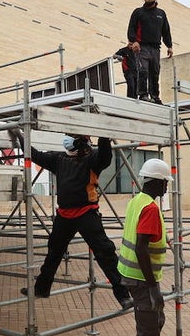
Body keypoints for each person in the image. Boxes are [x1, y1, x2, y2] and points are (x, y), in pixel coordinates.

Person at [13, 130, 132, 308]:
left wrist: (104, 133)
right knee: (54, 252)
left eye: (72, 136)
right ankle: (41, 289)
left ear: (81, 142)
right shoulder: (58, 159)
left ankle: (123, 296)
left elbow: (106, 156)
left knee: (104, 252)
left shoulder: (93, 158)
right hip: (64, 215)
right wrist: (20, 137)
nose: (67, 139)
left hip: (86, 213)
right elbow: (35, 155)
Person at [116, 158, 174, 336]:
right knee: (149, 333)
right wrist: (153, 289)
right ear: (159, 182)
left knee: (154, 323)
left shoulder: (136, 201)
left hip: (132, 276)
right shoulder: (150, 207)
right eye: (165, 184)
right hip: (142, 280)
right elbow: (141, 248)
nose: (167, 188)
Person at [126, 0, 173, 103]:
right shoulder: (138, 12)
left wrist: (169, 46)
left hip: (156, 48)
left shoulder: (161, 14)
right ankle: (143, 95)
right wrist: (133, 41)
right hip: (141, 47)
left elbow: (166, 30)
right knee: (143, 70)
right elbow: (131, 28)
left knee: (155, 72)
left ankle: (155, 96)